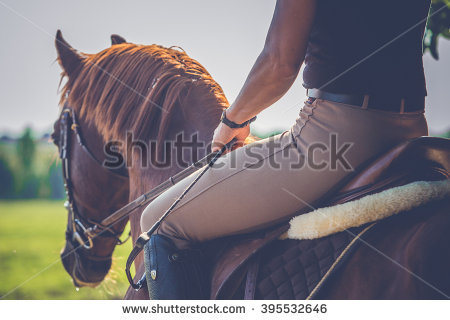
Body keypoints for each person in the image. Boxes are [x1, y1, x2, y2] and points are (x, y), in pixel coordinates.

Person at [140, 0, 430, 299]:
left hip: (339, 135)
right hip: (413, 133)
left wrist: (232, 122)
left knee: (159, 220)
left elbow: (279, 64)